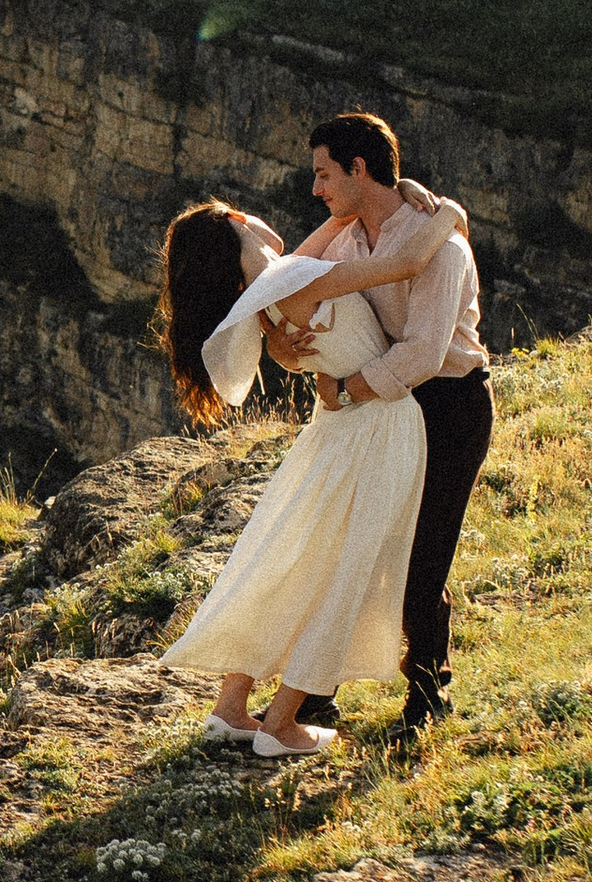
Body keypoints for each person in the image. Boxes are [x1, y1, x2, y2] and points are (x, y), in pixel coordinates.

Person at [152, 190, 466, 759]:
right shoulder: (297, 279)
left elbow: (337, 222)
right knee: (340, 572)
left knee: (289, 557)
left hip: (332, 432)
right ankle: (280, 723)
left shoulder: (268, 295)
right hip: (377, 426)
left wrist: (396, 191)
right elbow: (406, 263)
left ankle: (231, 708)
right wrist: (450, 214)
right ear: (240, 221)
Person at [268, 112, 492, 738]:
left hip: (449, 406)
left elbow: (423, 353)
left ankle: (426, 699)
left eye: (324, 174)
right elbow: (289, 282)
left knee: (422, 559)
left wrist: (342, 389)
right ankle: (313, 694)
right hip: (389, 406)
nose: (315, 189)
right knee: (349, 547)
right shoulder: (350, 238)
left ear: (359, 169)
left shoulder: (439, 245)